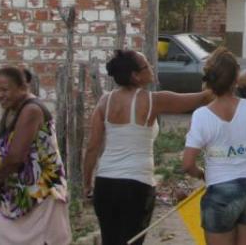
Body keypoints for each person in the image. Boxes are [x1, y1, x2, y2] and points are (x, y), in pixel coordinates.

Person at [83, 50, 214, 245]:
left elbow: (92, 148)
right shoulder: (153, 100)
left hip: (106, 184)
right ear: (135, 75)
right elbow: (202, 98)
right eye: (147, 66)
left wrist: (87, 185)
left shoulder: (105, 101)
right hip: (137, 185)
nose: (152, 67)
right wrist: (230, 79)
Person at [183, 47, 246, 245]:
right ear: (236, 79)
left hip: (219, 194)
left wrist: (201, 174)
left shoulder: (201, 116)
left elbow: (187, 164)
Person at [0, 66, 71, 244]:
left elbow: (16, 157)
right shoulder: (11, 110)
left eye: (5, 90)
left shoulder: (31, 110)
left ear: (22, 88)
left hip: (40, 196)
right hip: (16, 198)